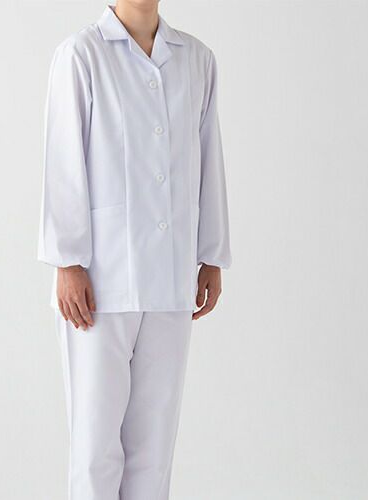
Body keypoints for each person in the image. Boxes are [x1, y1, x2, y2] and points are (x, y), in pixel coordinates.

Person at [38, 1, 231, 498]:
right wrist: (67, 261)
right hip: (100, 282)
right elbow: (63, 159)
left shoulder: (197, 60)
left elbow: (208, 156)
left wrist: (211, 254)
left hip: (171, 278)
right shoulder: (82, 55)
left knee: (154, 452)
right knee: (95, 450)